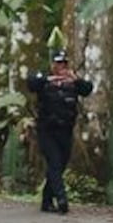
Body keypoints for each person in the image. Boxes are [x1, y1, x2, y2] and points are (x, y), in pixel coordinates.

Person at [26, 50, 93, 214]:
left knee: (59, 166)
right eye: (58, 63)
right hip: (47, 130)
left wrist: (75, 80)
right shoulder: (44, 79)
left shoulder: (73, 82)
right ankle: (62, 199)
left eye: (64, 63)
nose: (61, 66)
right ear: (52, 65)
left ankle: (46, 201)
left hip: (65, 130)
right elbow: (31, 84)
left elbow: (87, 89)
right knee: (54, 163)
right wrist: (49, 79)